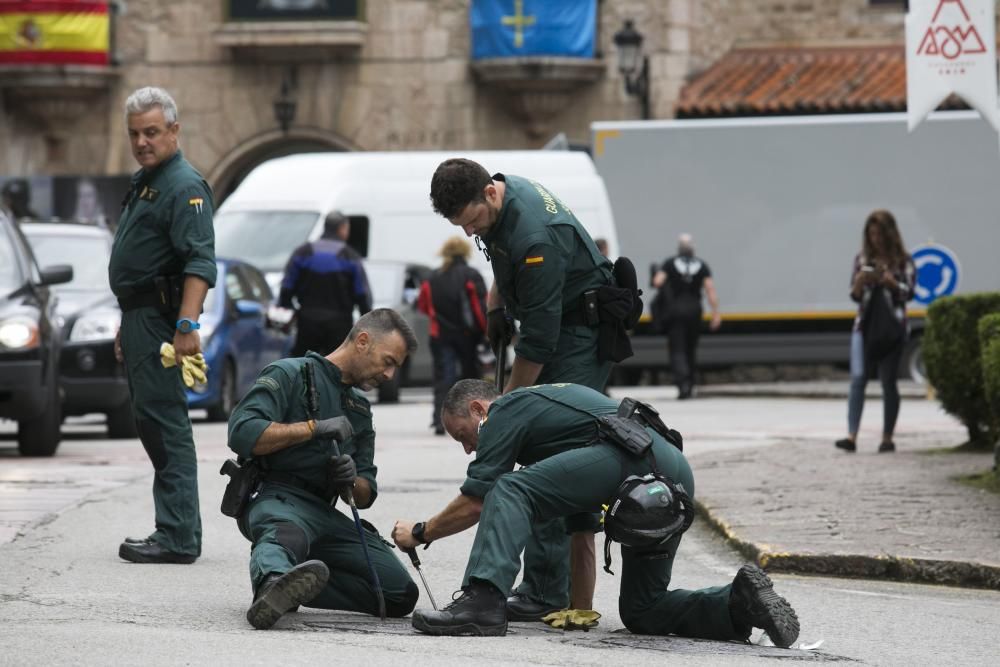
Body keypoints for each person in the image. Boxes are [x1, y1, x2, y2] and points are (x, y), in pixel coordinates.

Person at [391, 380, 800, 646]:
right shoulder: (561, 430)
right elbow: (580, 531)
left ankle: (481, 601)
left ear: (479, 409)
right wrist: (578, 607)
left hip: (629, 460)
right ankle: (738, 603)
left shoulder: (506, 411)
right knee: (643, 609)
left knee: (508, 487)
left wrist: (422, 532)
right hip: (671, 472)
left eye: (463, 435)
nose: (468, 449)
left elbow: (479, 498)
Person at [430, 158, 639, 623]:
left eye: (472, 222)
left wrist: (507, 406)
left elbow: (540, 341)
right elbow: (503, 260)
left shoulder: (535, 236)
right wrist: (497, 300)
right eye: (460, 226)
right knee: (537, 446)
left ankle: (546, 591)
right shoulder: (501, 200)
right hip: (557, 323)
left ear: (488, 194)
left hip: (578, 337)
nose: (469, 233)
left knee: (547, 450)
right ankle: (544, 586)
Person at [228, 309, 420, 629]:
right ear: (362, 341)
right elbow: (242, 433)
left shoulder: (360, 408)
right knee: (284, 533)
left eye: (395, 367)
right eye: (388, 361)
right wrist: (312, 428)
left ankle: (291, 588)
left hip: (324, 511)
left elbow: (366, 493)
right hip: (278, 497)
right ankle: (272, 583)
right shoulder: (289, 374)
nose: (389, 375)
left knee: (398, 593)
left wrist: (350, 479)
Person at [109, 87, 216, 564]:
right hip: (141, 318)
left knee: (166, 424)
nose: (142, 142)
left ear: (174, 130)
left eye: (151, 132)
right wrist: (125, 323)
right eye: (134, 134)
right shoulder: (149, 179)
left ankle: (177, 535)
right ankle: (172, 528)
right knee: (151, 423)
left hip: (160, 322)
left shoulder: (183, 185)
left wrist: (187, 324)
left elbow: (198, 261)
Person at [836, 210, 915, 454]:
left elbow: (910, 292)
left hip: (893, 328)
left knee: (888, 382)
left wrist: (892, 283)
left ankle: (887, 437)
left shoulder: (903, 261)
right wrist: (861, 281)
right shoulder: (861, 259)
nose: (876, 239)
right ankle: (851, 436)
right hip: (864, 327)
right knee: (858, 379)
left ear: (890, 234)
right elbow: (854, 295)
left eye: (880, 233)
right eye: (871, 234)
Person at [416, 236, 488, 435]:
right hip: (467, 336)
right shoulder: (471, 275)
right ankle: (475, 420)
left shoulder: (432, 278)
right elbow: (479, 308)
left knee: (443, 378)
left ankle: (440, 421)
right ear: (465, 253)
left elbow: (423, 306)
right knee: (470, 378)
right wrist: (485, 331)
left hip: (439, 335)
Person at [279, 211, 372, 357]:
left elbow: (286, 288)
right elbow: (362, 295)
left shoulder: (303, 252)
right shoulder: (350, 256)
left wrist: (293, 311)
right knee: (336, 370)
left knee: (304, 367)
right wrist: (366, 325)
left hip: (307, 323)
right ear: (342, 229)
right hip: (340, 325)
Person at [651, 233, 721, 399]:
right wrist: (716, 314)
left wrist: (655, 273)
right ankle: (690, 383)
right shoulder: (702, 265)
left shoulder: (670, 263)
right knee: (691, 348)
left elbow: (658, 282)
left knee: (677, 349)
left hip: (675, 311)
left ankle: (682, 384)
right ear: (693, 249)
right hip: (695, 311)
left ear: (679, 249)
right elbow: (710, 290)